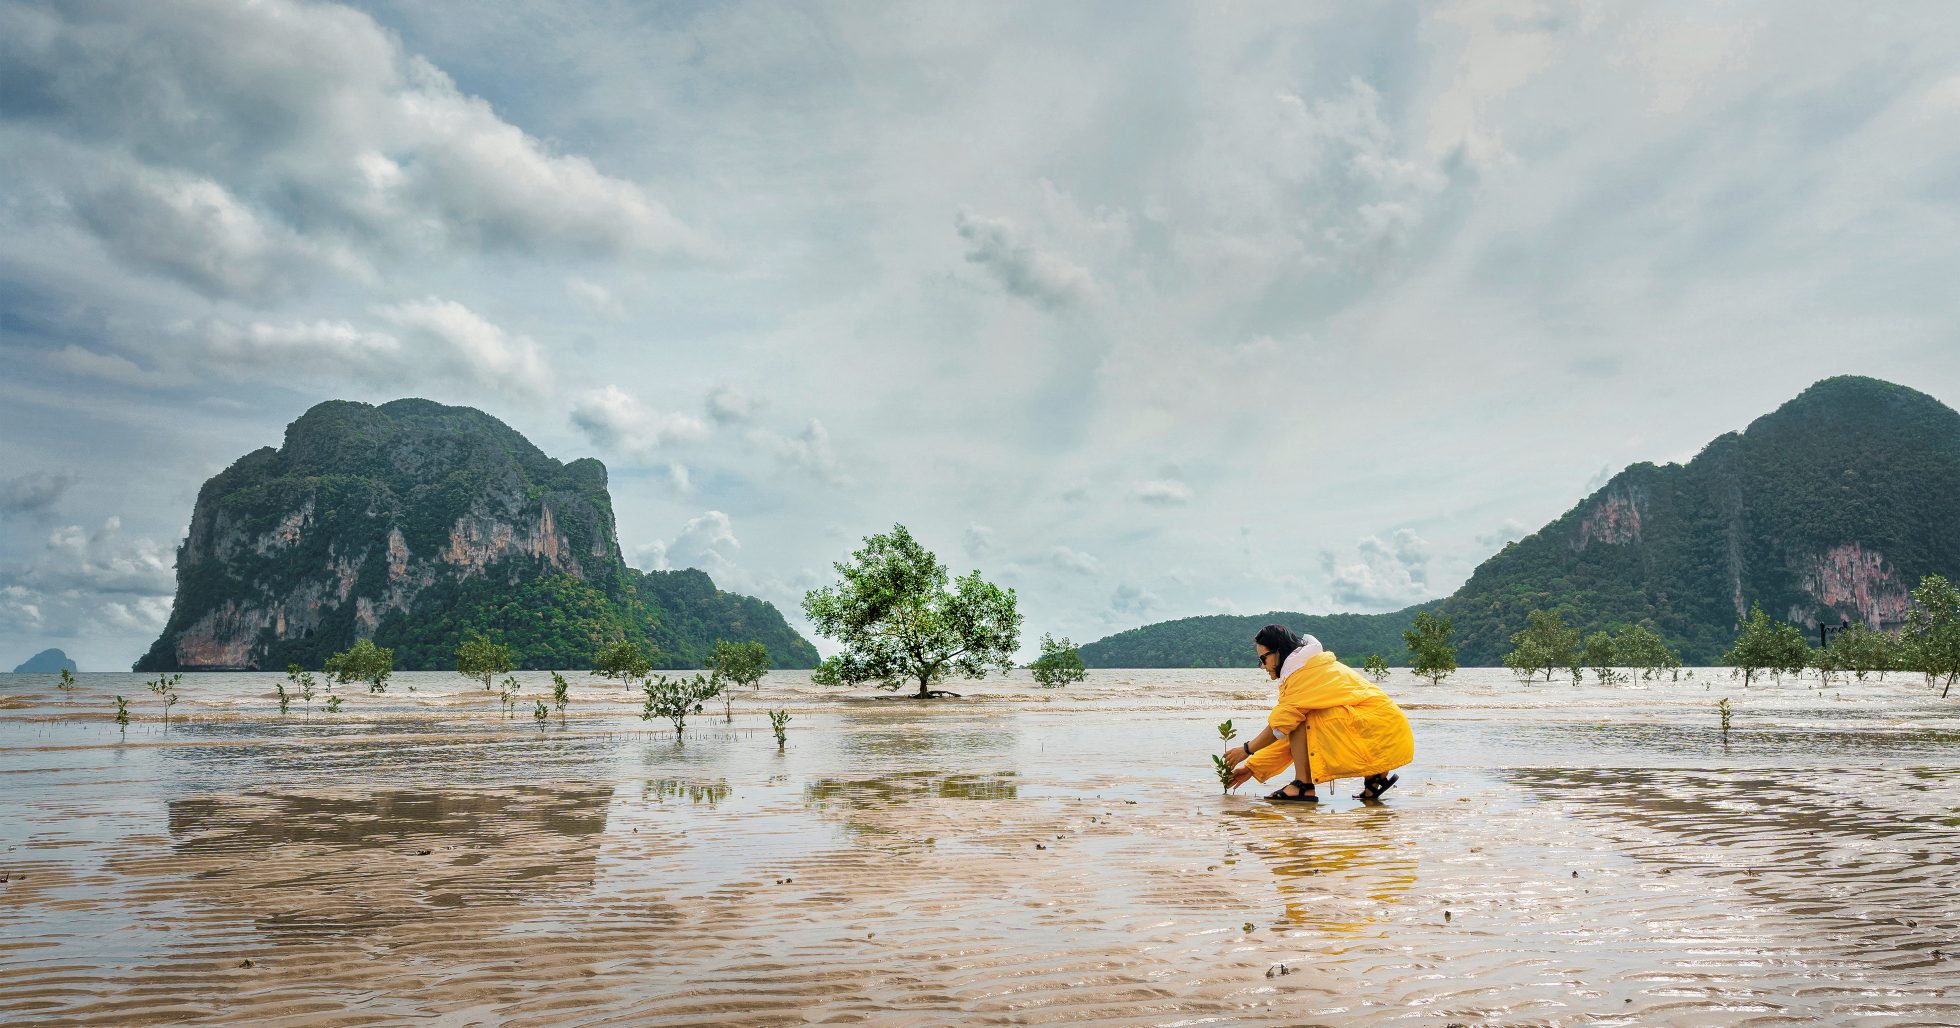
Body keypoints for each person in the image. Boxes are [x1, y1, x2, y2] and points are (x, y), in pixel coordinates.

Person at [1221, 624, 1413, 803]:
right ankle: (1375, 776)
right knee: (1301, 719)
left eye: (1263, 659)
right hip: (1388, 732)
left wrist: (1246, 750)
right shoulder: (1310, 667)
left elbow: (1281, 727)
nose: (1262, 666)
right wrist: (1252, 768)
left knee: (1302, 719)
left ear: (1278, 652)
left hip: (1380, 731)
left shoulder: (1302, 675)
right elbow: (1293, 738)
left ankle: (1302, 786)